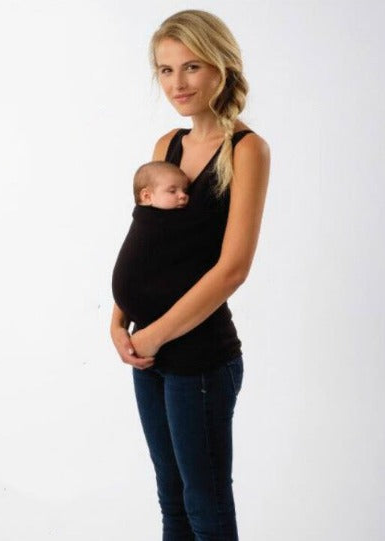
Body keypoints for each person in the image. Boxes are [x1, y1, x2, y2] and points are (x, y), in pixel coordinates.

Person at [110, 9, 270, 540]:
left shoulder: (247, 150)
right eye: (166, 69)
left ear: (221, 67)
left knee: (206, 506)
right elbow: (146, 247)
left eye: (192, 66)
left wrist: (154, 334)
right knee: (172, 500)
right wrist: (119, 321)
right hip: (148, 354)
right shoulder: (167, 147)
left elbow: (233, 269)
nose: (177, 83)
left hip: (199, 360)